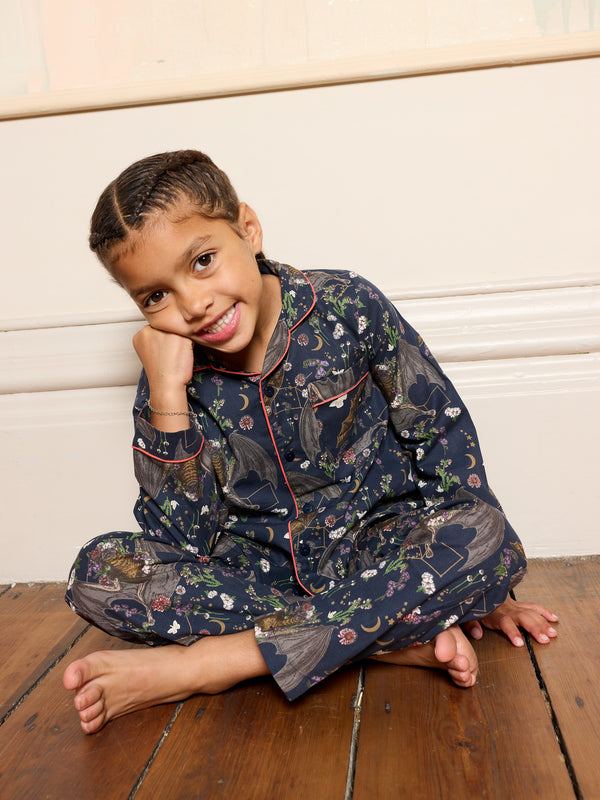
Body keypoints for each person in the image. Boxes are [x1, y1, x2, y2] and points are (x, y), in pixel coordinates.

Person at [63, 150, 558, 734]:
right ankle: (380, 641)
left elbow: (441, 435)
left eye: (201, 261)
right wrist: (168, 398)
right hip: (253, 573)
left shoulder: (349, 306)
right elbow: (177, 542)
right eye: (154, 297)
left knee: (488, 536)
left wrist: (488, 591)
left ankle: (217, 662)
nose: (192, 305)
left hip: (380, 552)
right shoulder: (168, 372)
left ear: (247, 229)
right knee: (95, 571)